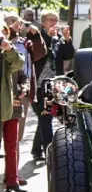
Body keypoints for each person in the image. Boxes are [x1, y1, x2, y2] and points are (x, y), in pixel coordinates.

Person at [4, 12, 47, 182]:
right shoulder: (6, 43)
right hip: (5, 94)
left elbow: (41, 53)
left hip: (21, 93)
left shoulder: (25, 43)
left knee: (16, 137)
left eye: (18, 22)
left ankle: (12, 176)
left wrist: (36, 36)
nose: (17, 25)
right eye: (12, 22)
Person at [32, 10, 74, 161]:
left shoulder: (58, 39)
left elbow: (68, 55)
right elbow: (41, 52)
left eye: (55, 20)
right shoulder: (37, 37)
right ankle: (49, 150)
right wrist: (49, 38)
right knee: (46, 116)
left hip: (55, 83)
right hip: (40, 84)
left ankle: (37, 150)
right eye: (50, 20)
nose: (54, 23)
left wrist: (67, 40)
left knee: (46, 116)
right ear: (43, 22)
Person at [0, 18, 25, 192]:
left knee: (12, 145)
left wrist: (8, 48)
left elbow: (19, 65)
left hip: (10, 106)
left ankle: (12, 181)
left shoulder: (7, 55)